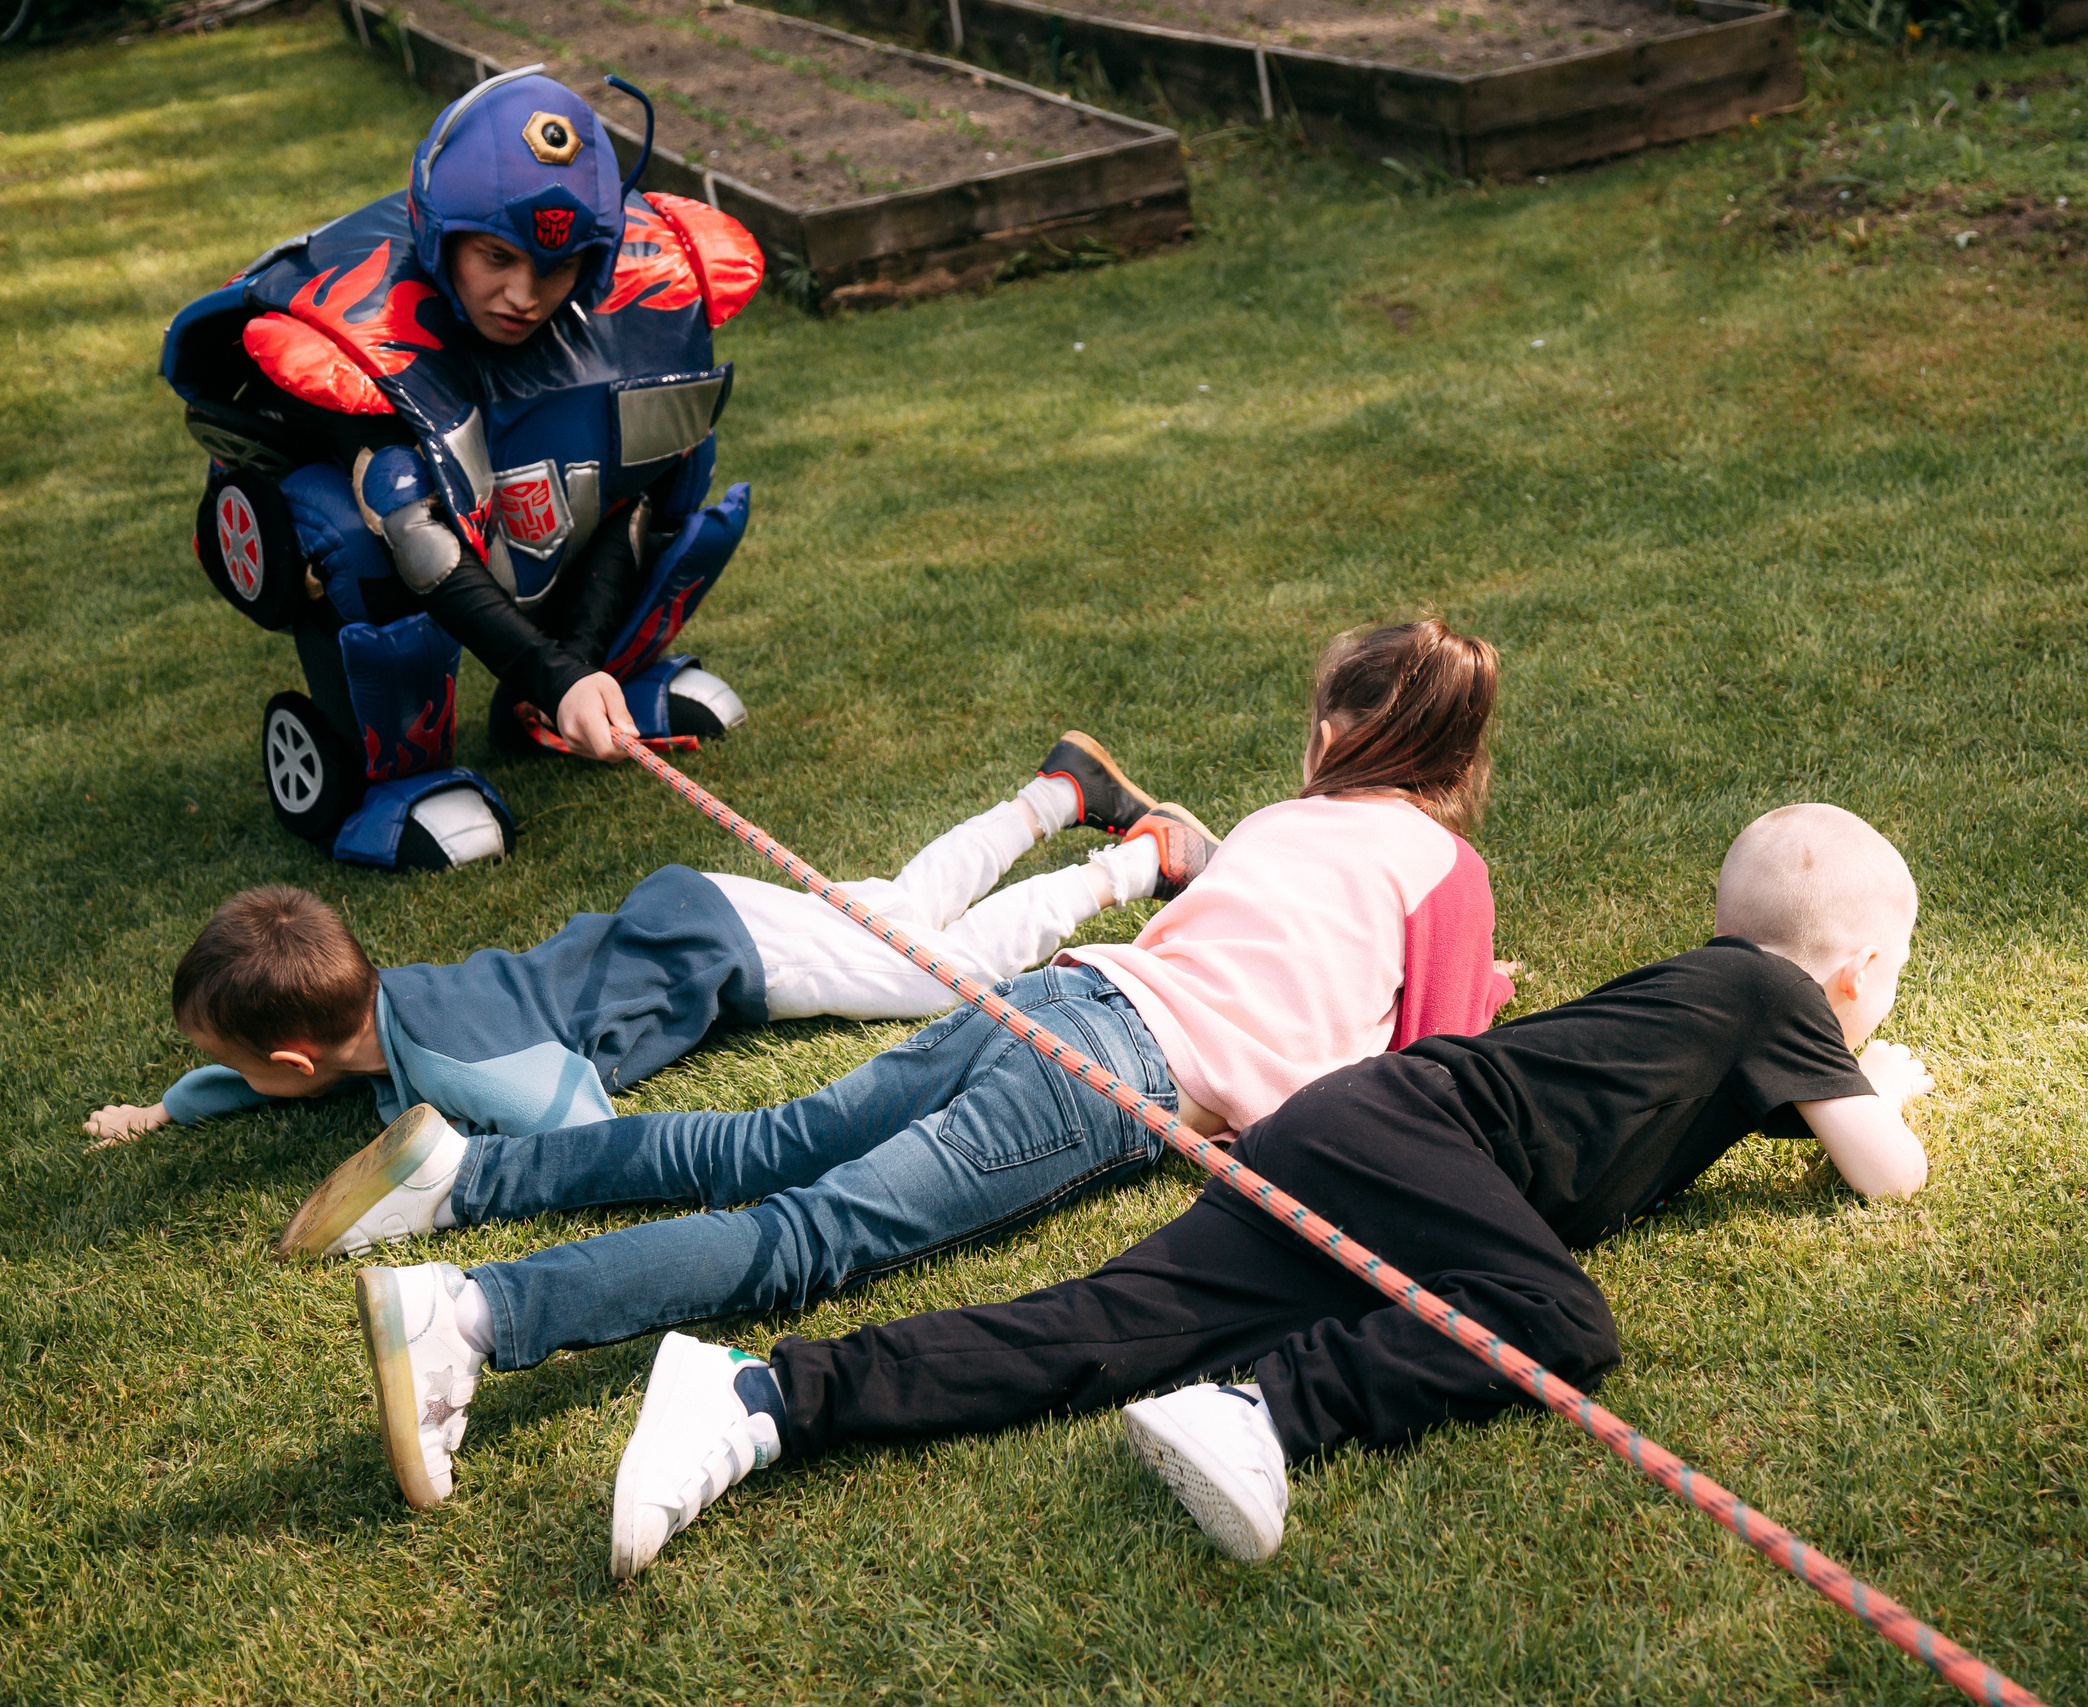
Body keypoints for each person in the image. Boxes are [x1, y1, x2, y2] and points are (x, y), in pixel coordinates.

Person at [318, 618, 1517, 1511]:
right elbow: (1430, 1077)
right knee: (809, 1234)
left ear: (1330, 736)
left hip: (1062, 994)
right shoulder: (1445, 874)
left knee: (768, 1142)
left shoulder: (1275, 824)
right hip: (1109, 1071)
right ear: (1457, 763)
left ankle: (473, 1176)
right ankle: (476, 1313)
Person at [596, 802, 1937, 1579]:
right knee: (1561, 1318)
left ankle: (759, 1395)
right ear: (1855, 978)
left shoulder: (1711, 1007)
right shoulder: (1775, 995)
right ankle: (1265, 1411)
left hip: (1360, 1140)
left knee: (1100, 1328)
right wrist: (1876, 1095)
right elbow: (1889, 1173)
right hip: (1416, 1140)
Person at [159, 69, 765, 870]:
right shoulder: (359, 316)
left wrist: (573, 675)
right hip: (401, 537)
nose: (524, 294)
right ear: (443, 235)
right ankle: (389, 776)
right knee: (357, 525)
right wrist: (553, 675)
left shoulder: (615, 290)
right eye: (496, 257)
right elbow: (420, 544)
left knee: (674, 445)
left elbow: (641, 486)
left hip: (513, 513)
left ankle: (612, 680)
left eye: (556, 267)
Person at [82, 734, 1164, 1155]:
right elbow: (259, 1080)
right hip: (685, 910)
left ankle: (1141, 858)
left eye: (228, 1066)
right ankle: (1062, 787)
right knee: (895, 909)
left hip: (734, 959)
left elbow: (577, 1120)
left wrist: (458, 1159)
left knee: (946, 975)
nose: (220, 1077)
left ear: (296, 1062)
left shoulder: (459, 1065)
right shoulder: (383, 1008)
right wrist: (160, 1110)